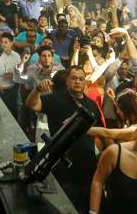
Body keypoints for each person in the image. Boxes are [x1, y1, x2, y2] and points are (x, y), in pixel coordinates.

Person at [24, 65, 104, 212]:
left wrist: (98, 155)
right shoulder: (55, 99)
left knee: (84, 205)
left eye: (81, 79)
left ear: (85, 82)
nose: (77, 82)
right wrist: (38, 90)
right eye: (74, 78)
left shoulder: (91, 105)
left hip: (87, 166)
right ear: (67, 81)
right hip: (62, 165)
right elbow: (31, 104)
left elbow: (99, 133)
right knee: (65, 206)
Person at [0, 32, 21, 117]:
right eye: (1, 42)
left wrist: (14, 75)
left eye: (6, 42)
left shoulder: (17, 56)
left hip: (12, 91)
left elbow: (20, 73)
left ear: (12, 43)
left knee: (13, 114)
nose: (3, 45)